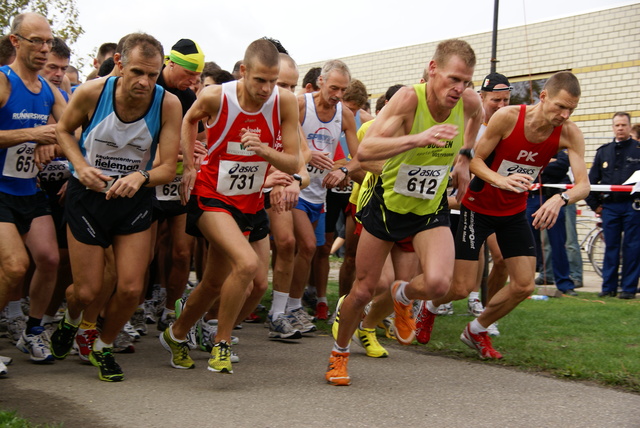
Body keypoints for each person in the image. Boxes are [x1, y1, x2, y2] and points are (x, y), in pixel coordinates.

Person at [325, 39, 483, 386]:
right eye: (453, 79)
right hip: (387, 207)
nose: (459, 89)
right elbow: (366, 150)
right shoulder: (409, 99)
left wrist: (465, 158)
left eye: (466, 81)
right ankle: (338, 354)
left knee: (440, 283)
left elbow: (477, 117)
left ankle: (402, 295)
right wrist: (418, 138)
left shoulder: (469, 101)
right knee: (363, 291)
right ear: (432, 69)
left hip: (429, 208)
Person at [415, 71, 590, 359]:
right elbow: (474, 161)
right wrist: (500, 179)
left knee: (523, 285)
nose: (565, 114)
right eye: (560, 106)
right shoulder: (508, 117)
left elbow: (583, 184)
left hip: (513, 212)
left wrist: (560, 199)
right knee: (460, 287)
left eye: (571, 108)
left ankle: (477, 328)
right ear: (543, 96)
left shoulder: (569, 132)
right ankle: (429, 307)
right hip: (478, 208)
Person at [159, 39, 300, 375]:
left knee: (213, 282)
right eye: (259, 80)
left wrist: (265, 151)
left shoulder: (285, 102)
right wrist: (191, 165)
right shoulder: (215, 96)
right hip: (212, 195)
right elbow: (189, 119)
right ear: (243, 71)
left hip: (249, 200)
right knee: (248, 263)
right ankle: (221, 344)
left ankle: (176, 334)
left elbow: (294, 162)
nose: (267, 89)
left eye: (272, 81)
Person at [51, 33, 182, 382]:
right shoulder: (93, 92)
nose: (144, 82)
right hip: (88, 196)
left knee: (129, 288)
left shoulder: (167, 104)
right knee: (88, 290)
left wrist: (141, 176)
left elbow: (168, 167)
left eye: (153, 75)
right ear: (120, 64)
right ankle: (71, 318)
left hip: (132, 198)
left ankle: (102, 345)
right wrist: (79, 166)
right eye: (137, 71)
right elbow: (63, 131)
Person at [0, 12, 67, 369]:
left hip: (28, 190)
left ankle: (33, 330)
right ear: (15, 42)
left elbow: (74, 128)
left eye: (48, 42)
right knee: (14, 266)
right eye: (36, 41)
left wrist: (54, 140)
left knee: (50, 259)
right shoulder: (4, 83)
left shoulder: (50, 91)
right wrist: (33, 134)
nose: (44, 49)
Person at [289, 59, 359, 328]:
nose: (338, 95)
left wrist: (344, 172)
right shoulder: (300, 104)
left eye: (343, 90)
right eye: (333, 88)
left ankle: (290, 306)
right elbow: (282, 138)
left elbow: (358, 156)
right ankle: (290, 307)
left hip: (320, 194)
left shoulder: (345, 114)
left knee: (314, 250)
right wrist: (305, 153)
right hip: (295, 186)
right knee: (303, 246)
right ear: (320, 81)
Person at [586, 112, 640, 299]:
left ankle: (628, 289)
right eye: (617, 125)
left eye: (623, 125)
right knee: (611, 248)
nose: (620, 128)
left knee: (632, 248)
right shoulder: (604, 151)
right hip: (610, 207)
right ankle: (608, 288)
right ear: (613, 127)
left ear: (629, 126)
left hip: (633, 207)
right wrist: (595, 206)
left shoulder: (638, 149)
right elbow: (591, 181)